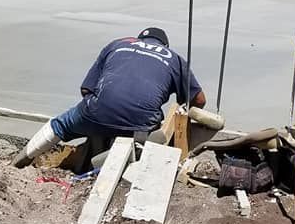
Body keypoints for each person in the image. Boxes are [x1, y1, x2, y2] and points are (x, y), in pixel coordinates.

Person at [12, 27, 204, 168]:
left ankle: (18, 163)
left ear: (139, 39)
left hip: (98, 110)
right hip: (141, 123)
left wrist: (100, 117)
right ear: (164, 45)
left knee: (61, 124)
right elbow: (199, 100)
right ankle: (136, 149)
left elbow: (86, 90)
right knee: (150, 128)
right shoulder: (174, 59)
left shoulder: (118, 44)